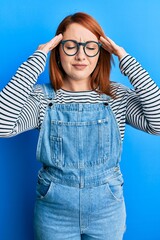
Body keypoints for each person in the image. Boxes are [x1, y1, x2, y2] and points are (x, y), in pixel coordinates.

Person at [0, 12, 160, 240]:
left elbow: (158, 123)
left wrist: (125, 59)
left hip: (107, 210)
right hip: (54, 211)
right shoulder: (41, 99)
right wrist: (38, 57)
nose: (80, 55)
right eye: (71, 46)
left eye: (90, 46)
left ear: (101, 52)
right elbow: (2, 124)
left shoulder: (117, 97)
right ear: (57, 51)